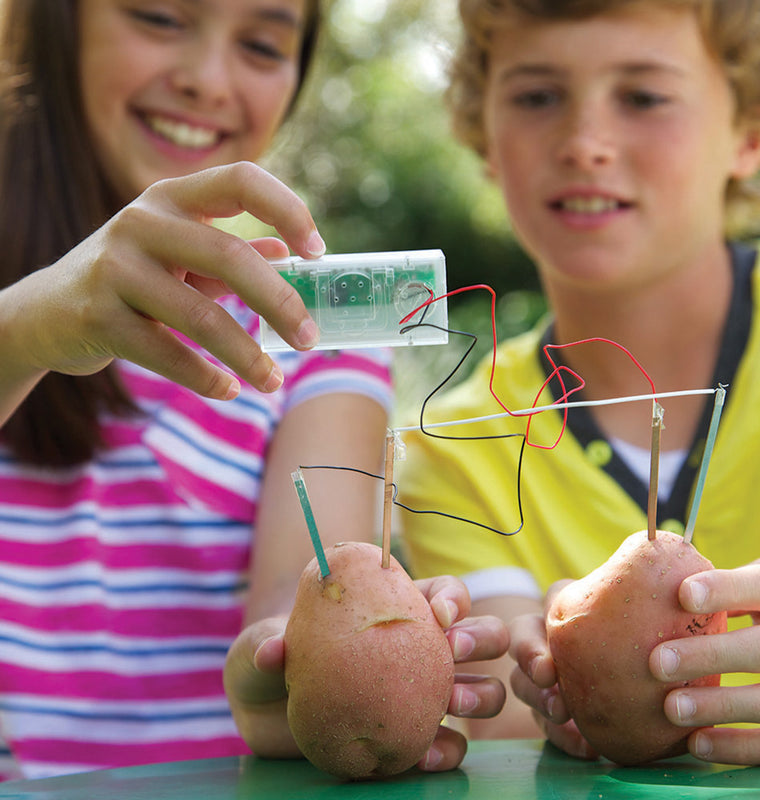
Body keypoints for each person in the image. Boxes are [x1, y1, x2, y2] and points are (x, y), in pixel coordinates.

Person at [0, 0, 507, 781]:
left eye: (263, 44)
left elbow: (297, 589)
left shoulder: (314, 346)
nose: (207, 80)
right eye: (160, 16)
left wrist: (300, 664)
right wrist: (28, 329)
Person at [398, 0, 760, 767]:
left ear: (750, 131)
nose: (584, 143)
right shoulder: (456, 444)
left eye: (644, 96)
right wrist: (552, 692)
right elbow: (509, 736)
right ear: (484, 135)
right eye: (537, 96)